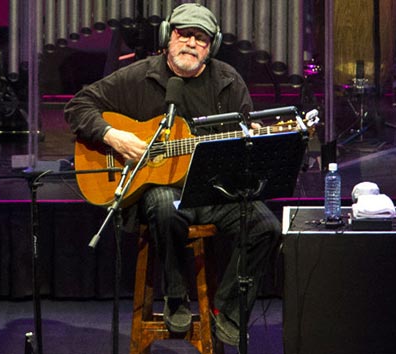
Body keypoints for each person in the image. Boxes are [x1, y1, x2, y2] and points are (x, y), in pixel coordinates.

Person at [64, 3, 281, 347]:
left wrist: (250, 140)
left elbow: (243, 157)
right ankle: (176, 296)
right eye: (184, 34)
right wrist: (113, 135)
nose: (191, 43)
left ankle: (228, 311)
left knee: (266, 226)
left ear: (213, 46)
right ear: (167, 36)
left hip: (213, 192)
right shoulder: (139, 76)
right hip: (155, 194)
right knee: (165, 205)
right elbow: (78, 105)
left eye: (201, 38)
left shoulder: (227, 82)